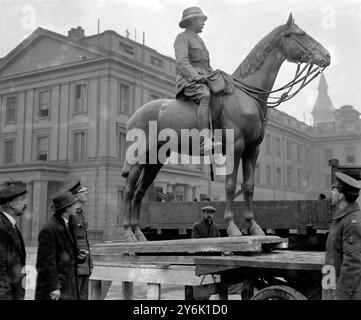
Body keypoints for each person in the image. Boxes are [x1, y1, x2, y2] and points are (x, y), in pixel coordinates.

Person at [174, 6, 221, 154]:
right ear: (192, 21)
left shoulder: (199, 40)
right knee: (205, 96)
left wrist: (217, 77)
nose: (204, 22)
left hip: (204, 79)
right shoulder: (182, 38)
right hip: (189, 81)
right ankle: (204, 141)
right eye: (201, 19)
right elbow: (182, 62)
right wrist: (195, 76)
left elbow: (206, 65)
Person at [35, 191, 86, 300]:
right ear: (67, 209)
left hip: (66, 285)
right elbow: (45, 262)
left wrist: (78, 255)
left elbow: (64, 252)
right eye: (74, 205)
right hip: (56, 289)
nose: (76, 207)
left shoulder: (67, 224)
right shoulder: (49, 229)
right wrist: (53, 287)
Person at [323, 172, 361, 300]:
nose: (331, 192)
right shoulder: (341, 218)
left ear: (341, 195)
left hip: (344, 293)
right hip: (332, 284)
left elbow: (353, 263)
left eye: (334, 189)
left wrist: (340, 295)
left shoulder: (351, 221)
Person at [0, 181, 27, 300]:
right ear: (13, 204)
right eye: (23, 199)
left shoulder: (10, 225)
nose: (26, 202)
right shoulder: (1, 227)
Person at [67, 179, 92, 300]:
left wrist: (89, 262)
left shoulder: (80, 213)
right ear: (76, 196)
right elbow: (69, 241)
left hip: (84, 265)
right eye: (83, 191)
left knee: (83, 297)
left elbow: (84, 240)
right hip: (76, 266)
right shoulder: (71, 215)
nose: (86, 193)